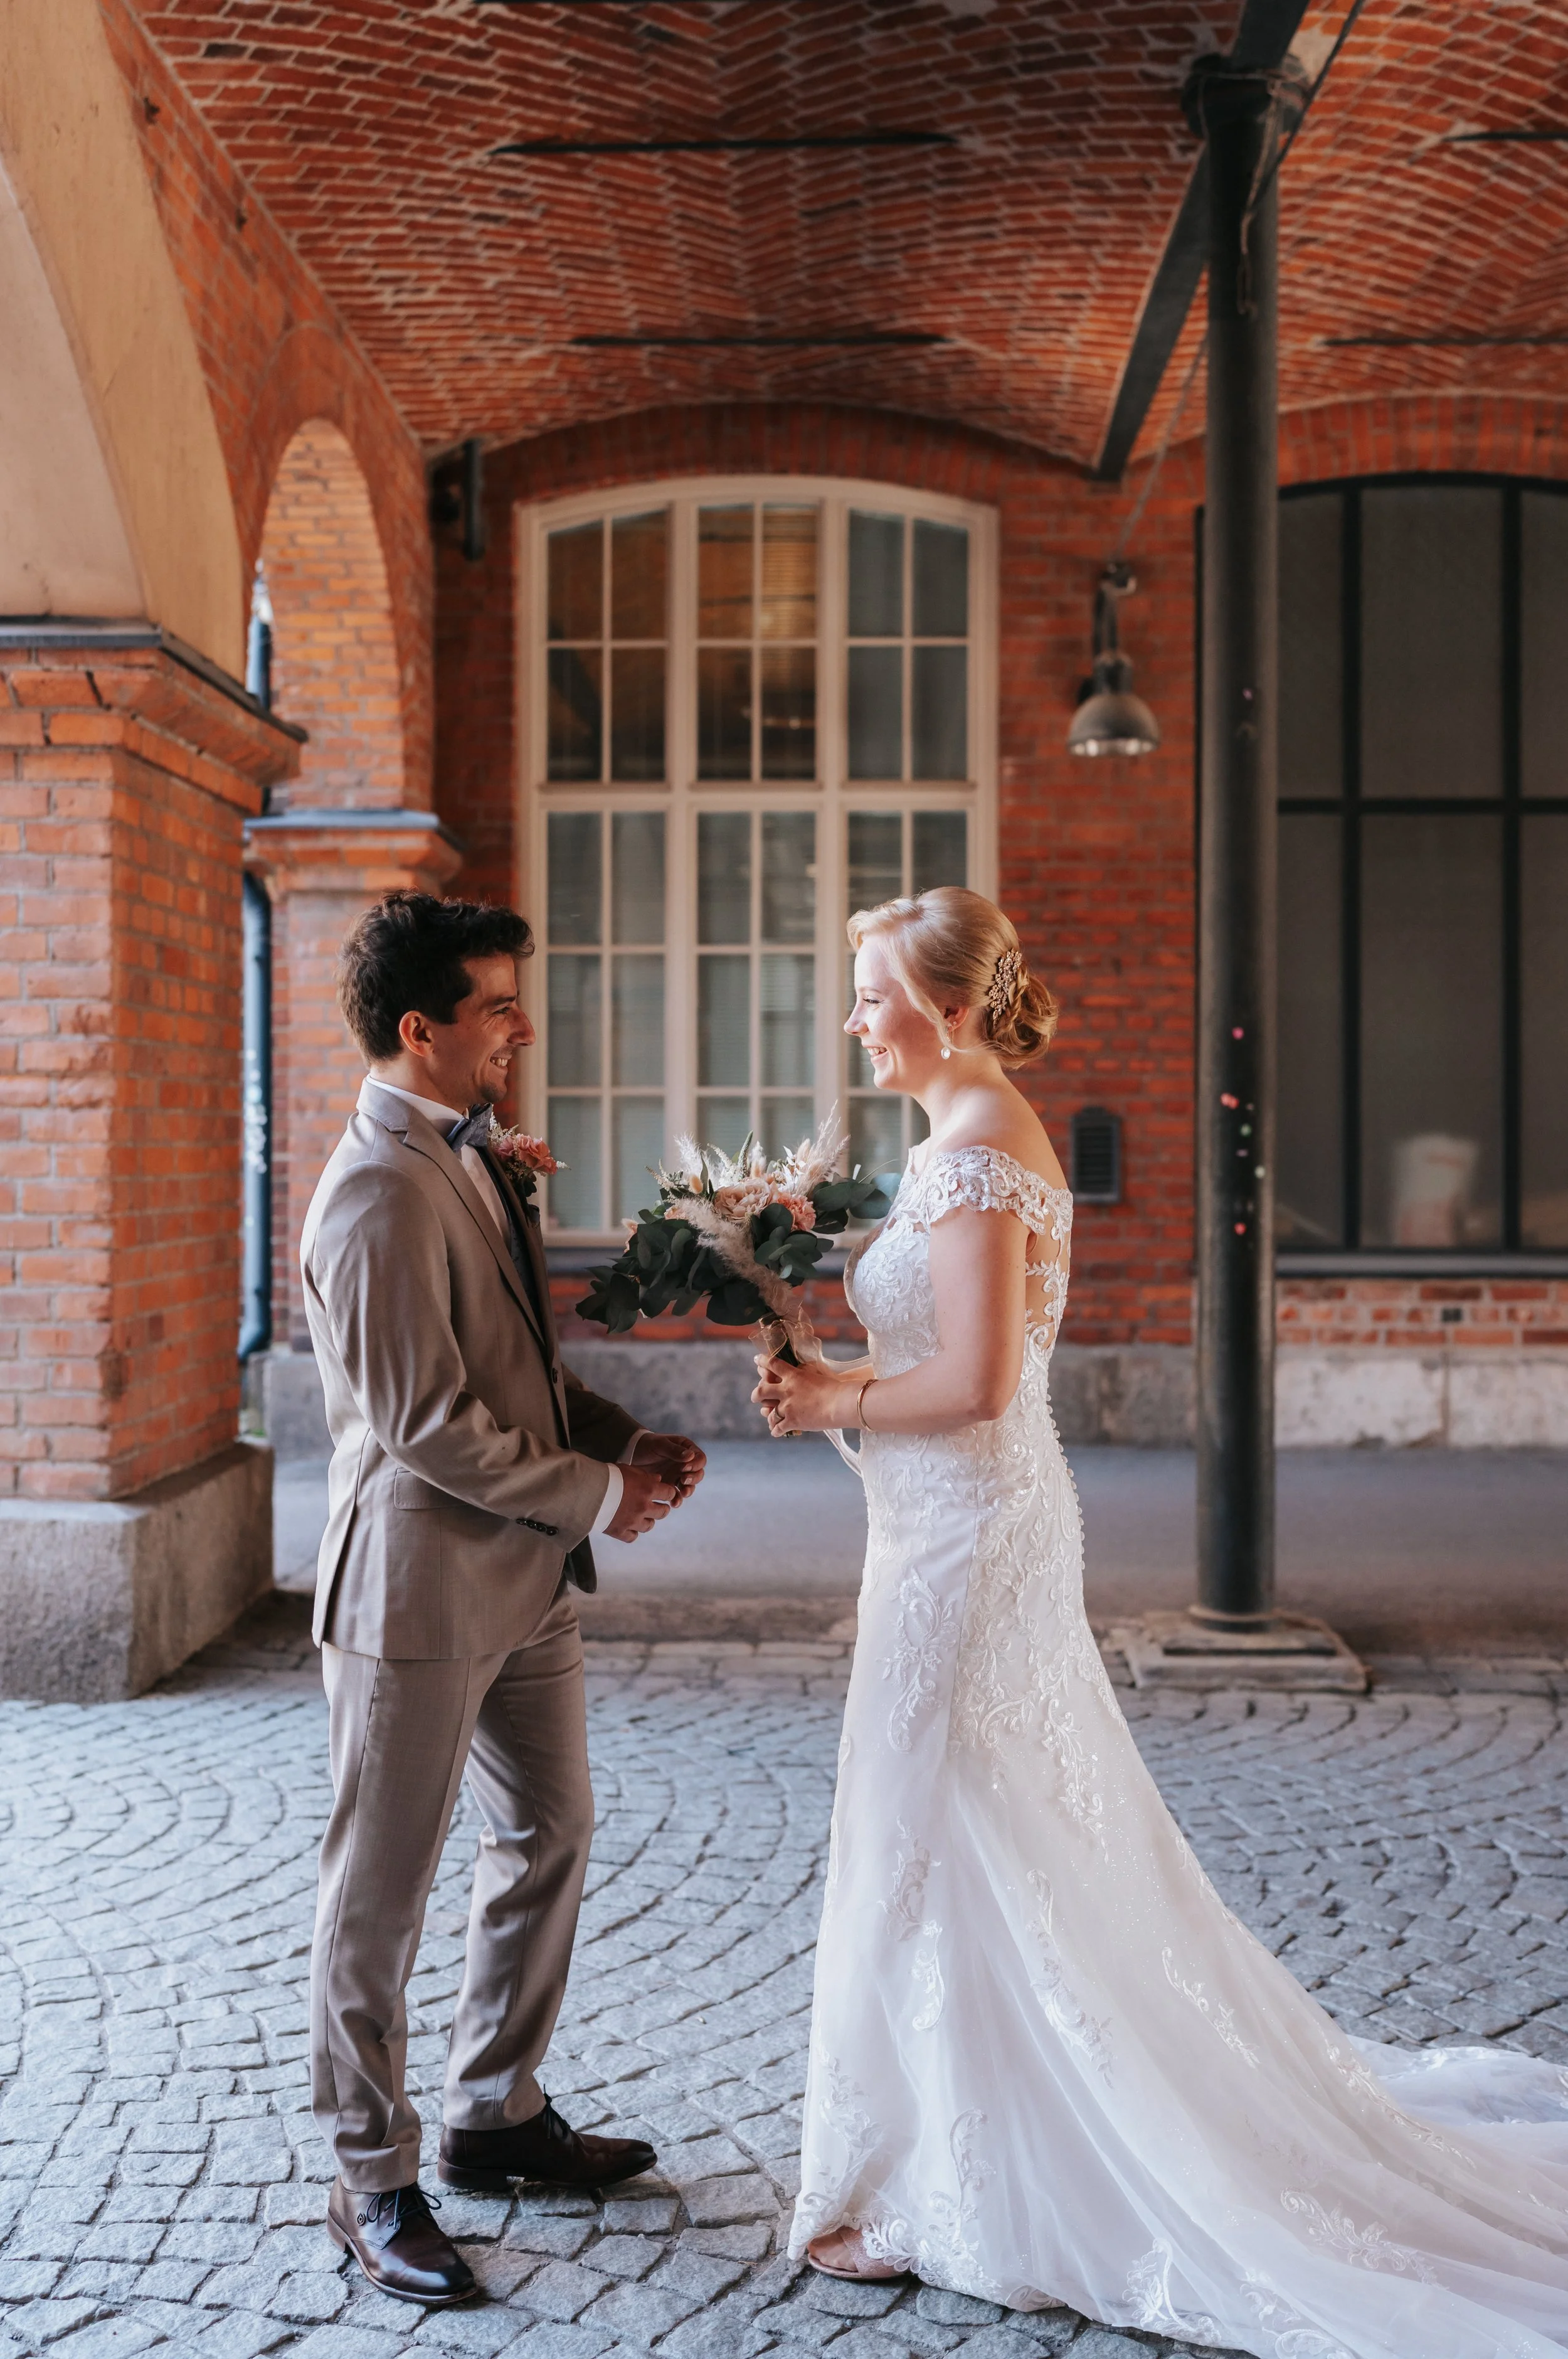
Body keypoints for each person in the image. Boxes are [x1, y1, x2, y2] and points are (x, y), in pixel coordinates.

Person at [754, 886, 1568, 2356]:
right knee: (955, 1827)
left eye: (871, 993)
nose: (855, 1018)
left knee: (930, 1817)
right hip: (937, 1525)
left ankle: (944, 2170)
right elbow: (936, 1344)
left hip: (968, 1533)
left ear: (941, 1005)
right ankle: (923, 2149)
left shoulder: (985, 1147)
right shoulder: (954, 1143)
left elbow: (982, 1383)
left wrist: (828, 1395)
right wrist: (819, 1349)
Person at [302, 892, 705, 2306]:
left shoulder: (473, 1156)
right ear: (422, 1029)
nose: (518, 1027)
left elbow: (512, 1371)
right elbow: (427, 1423)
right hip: (415, 1587)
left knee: (548, 1827)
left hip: (522, 1578)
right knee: (380, 1893)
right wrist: (601, 1501)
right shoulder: (374, 1186)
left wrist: (616, 1436)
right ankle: (369, 2174)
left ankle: (492, 2111)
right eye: (495, 1006)